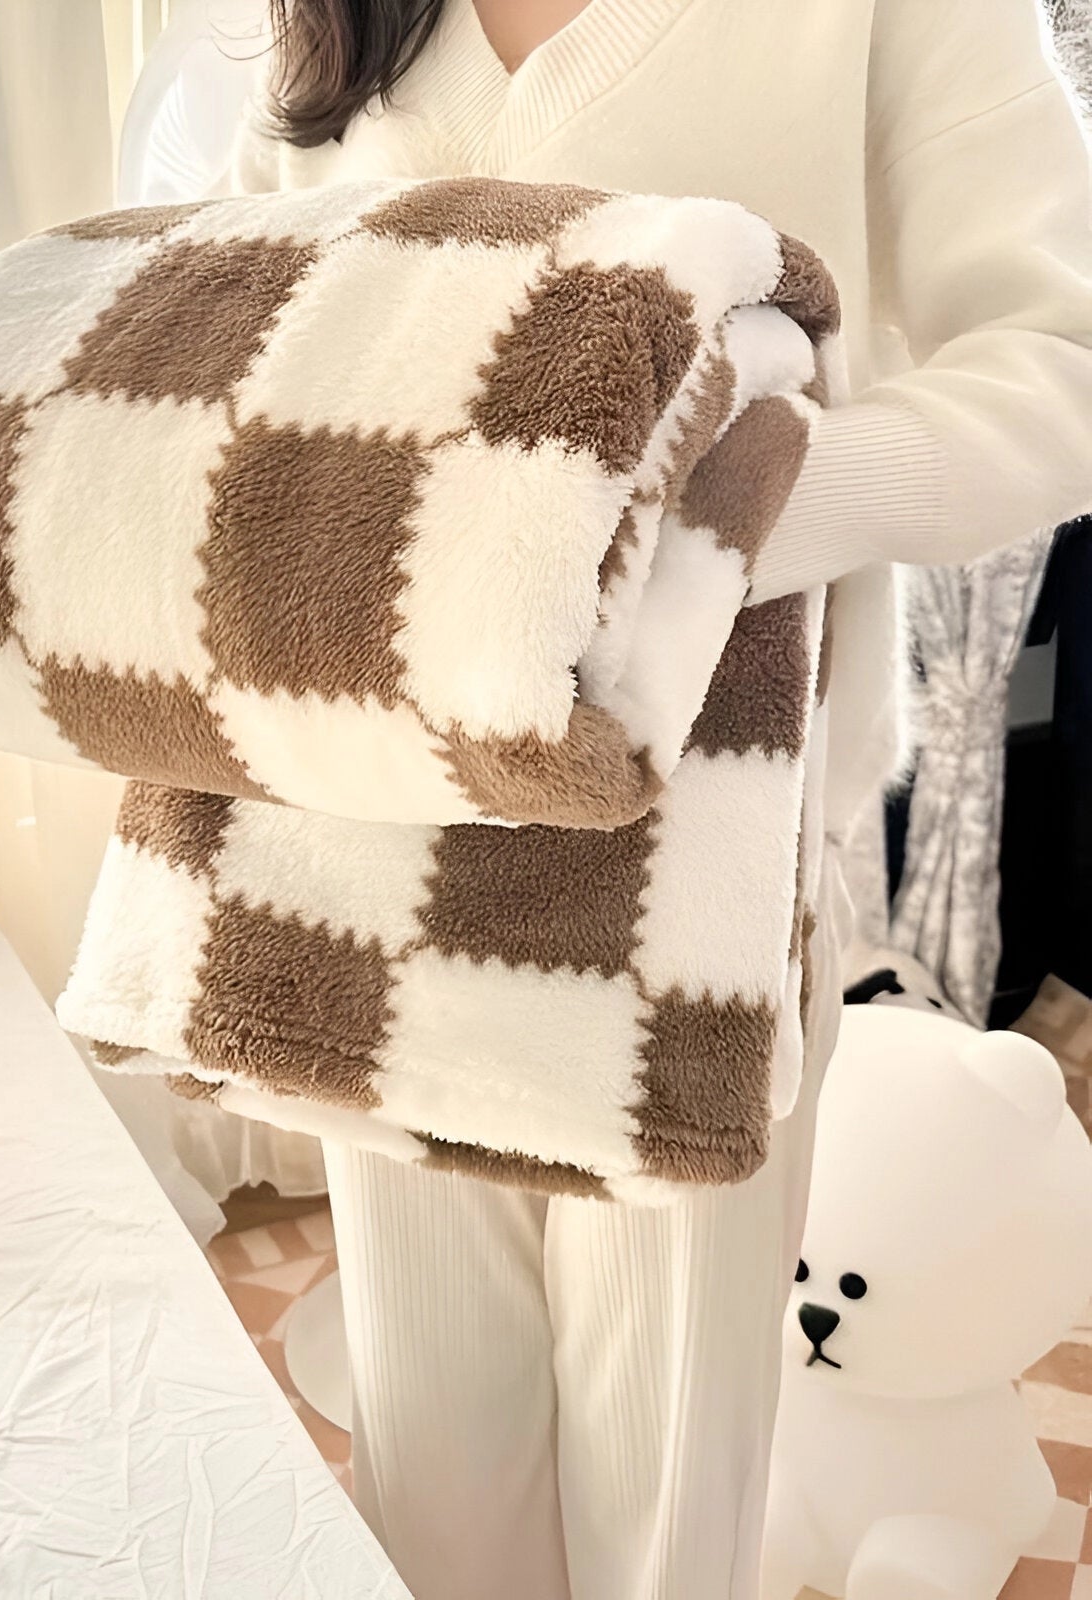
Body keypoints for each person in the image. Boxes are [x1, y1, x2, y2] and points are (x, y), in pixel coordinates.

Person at [213, 2, 1092, 1596]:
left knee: (664, 1503)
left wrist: (687, 529)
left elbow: (1063, 371)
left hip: (706, 869)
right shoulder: (342, 17)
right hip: (376, 841)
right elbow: (253, 360)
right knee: (438, 1478)